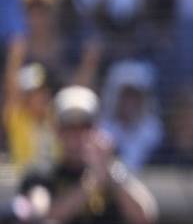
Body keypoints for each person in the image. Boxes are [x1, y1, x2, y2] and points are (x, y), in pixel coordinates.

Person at [18, 85, 157, 224]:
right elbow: (42, 215)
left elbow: (145, 216)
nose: (77, 136)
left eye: (85, 126)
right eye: (70, 127)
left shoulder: (113, 171)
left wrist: (107, 170)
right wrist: (92, 182)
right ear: (57, 131)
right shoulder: (42, 174)